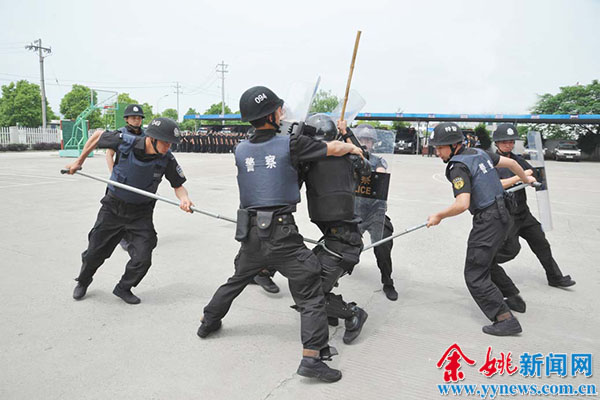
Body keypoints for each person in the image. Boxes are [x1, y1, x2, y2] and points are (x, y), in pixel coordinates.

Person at [197, 86, 364, 383]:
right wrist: (351, 146)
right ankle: (312, 359)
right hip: (281, 233)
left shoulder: (241, 149)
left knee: (236, 279)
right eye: (280, 110)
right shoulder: (290, 145)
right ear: (273, 114)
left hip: (249, 233)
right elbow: (333, 148)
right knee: (311, 286)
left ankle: (208, 321)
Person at [65, 118, 193, 304]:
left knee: (143, 257)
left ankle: (124, 287)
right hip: (113, 208)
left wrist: (184, 198)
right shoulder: (125, 141)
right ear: (152, 138)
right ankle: (84, 280)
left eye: (171, 143)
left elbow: (178, 185)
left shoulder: (167, 158)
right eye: (166, 142)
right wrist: (78, 161)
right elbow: (97, 136)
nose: (168, 146)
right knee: (94, 253)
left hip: (141, 213)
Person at [426, 122, 536, 336]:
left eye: (441, 148)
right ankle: (513, 297)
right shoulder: (479, 152)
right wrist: (526, 179)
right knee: (488, 261)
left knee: (475, 272)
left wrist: (438, 215)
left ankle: (504, 319)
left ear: (455, 145)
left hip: (489, 219)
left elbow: (462, 203)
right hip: (505, 215)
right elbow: (513, 166)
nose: (437, 152)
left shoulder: (457, 166)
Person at [489, 124, 575, 312]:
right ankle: (487, 267)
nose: (509, 145)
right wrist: (521, 178)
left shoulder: (520, 160)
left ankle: (555, 277)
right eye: (505, 141)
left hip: (523, 213)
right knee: (511, 249)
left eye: (512, 141)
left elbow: (534, 175)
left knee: (541, 243)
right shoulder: (491, 162)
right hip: (507, 215)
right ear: (497, 143)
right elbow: (496, 186)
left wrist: (537, 177)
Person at [354, 124, 399, 301]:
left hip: (374, 211)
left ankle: (388, 282)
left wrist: (372, 172)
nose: (365, 143)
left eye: (369, 140)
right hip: (354, 210)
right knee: (340, 243)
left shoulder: (378, 161)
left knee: (383, 244)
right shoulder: (347, 160)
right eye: (362, 139)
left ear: (374, 143)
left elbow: (380, 175)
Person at [105, 103, 146, 252]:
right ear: (126, 119)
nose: (137, 120)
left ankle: (137, 236)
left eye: (139, 118)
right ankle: (122, 237)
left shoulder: (145, 135)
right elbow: (109, 154)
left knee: (138, 210)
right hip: (121, 180)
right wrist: (112, 174)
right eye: (133, 118)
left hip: (139, 180)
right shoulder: (119, 134)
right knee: (118, 211)